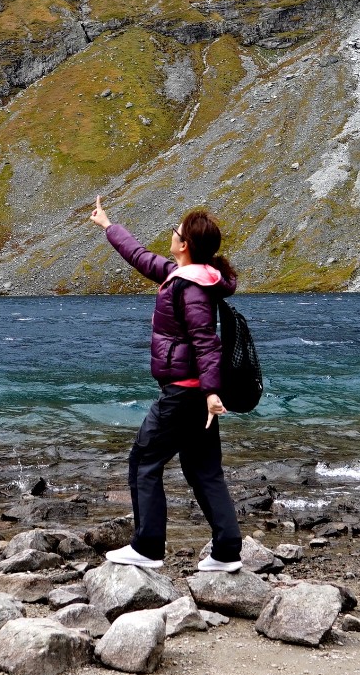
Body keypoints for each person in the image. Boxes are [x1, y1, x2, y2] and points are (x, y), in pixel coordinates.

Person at [88, 195, 244, 571]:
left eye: (176, 231)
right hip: (194, 394)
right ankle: (227, 552)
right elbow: (140, 256)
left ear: (185, 244)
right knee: (204, 470)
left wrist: (210, 392)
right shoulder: (184, 277)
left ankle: (147, 546)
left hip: (184, 394)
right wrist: (108, 225)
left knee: (143, 460)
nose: (170, 234)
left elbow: (206, 341)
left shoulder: (189, 289)